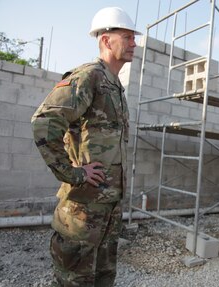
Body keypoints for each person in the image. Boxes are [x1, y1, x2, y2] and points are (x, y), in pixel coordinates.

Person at [31, 7, 141, 286]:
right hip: (82, 213)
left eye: (133, 38)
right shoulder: (88, 76)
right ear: (106, 40)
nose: (134, 44)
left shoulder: (115, 85)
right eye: (127, 37)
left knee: (103, 279)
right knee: (73, 281)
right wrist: (73, 173)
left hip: (107, 213)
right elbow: (44, 122)